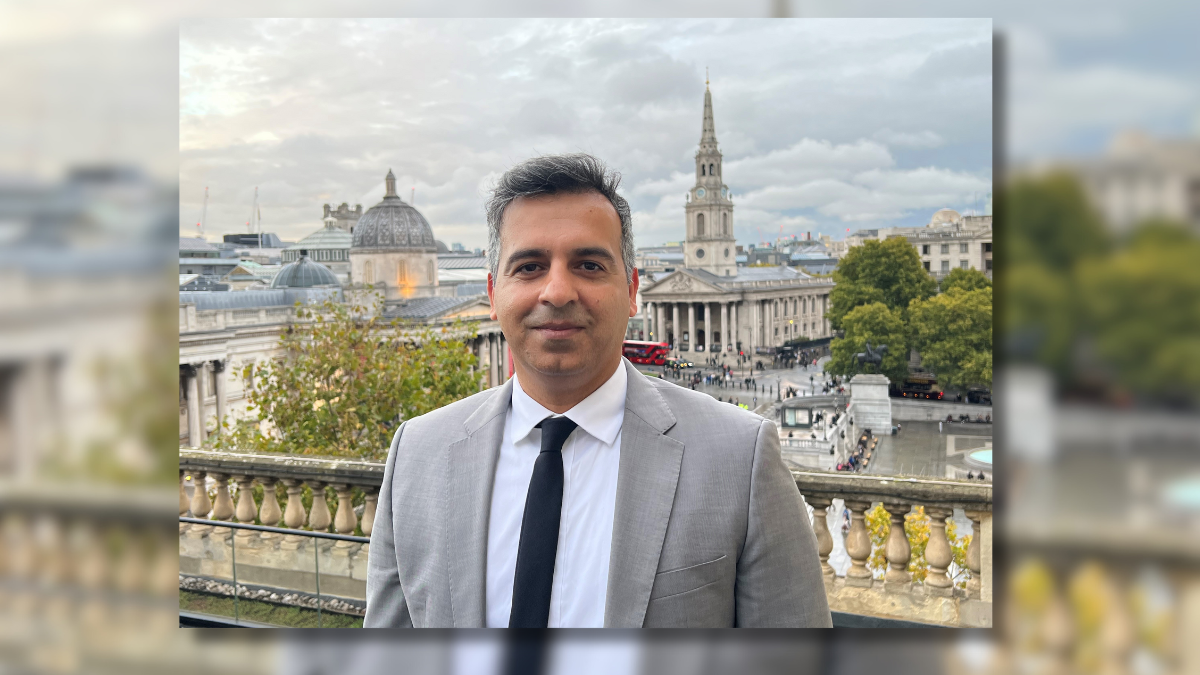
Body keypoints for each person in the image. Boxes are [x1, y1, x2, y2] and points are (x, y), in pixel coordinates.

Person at [365, 154, 830, 628]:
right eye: (529, 266)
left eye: (588, 264)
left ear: (632, 290)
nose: (558, 291)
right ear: (492, 293)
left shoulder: (740, 457)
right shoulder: (416, 453)